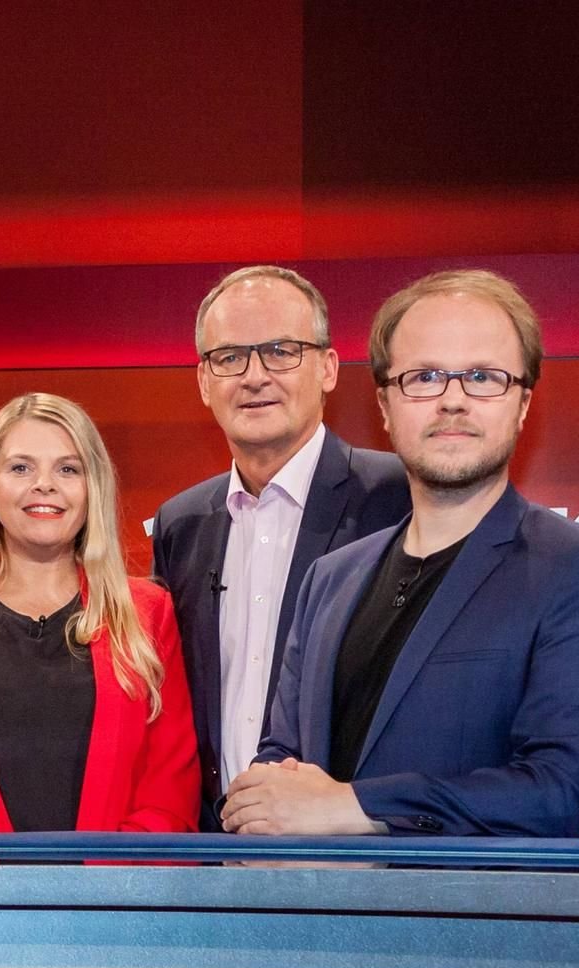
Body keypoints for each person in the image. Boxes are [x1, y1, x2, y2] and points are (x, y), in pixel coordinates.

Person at [222, 270, 579, 837]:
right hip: (316, 915)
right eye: (423, 377)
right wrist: (265, 809)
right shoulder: (331, 577)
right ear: (386, 407)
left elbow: (559, 791)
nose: (452, 400)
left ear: (523, 404)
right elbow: (281, 753)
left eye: (482, 377)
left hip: (479, 921)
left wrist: (356, 807)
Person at [152, 266, 409, 831]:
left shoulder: (398, 499)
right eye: (229, 357)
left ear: (328, 368)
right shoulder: (180, 524)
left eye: (280, 351)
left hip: (357, 862)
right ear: (202, 381)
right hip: (211, 859)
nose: (254, 376)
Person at [0, 393, 197, 832]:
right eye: (21, 467)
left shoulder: (147, 613)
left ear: (92, 491)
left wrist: (114, 890)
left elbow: (170, 788)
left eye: (68, 469)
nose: (44, 484)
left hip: (114, 894)